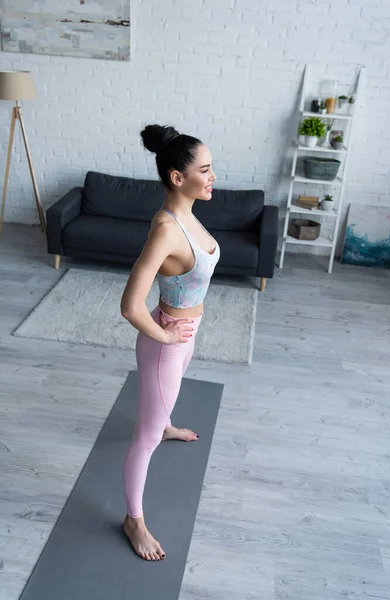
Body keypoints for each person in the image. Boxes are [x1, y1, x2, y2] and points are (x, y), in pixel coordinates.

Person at [120, 124, 219, 562]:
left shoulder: (189, 214)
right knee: (144, 440)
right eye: (206, 169)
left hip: (183, 335)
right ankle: (133, 520)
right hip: (168, 341)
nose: (213, 176)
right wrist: (164, 336)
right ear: (178, 178)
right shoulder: (166, 229)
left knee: (161, 414)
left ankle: (165, 423)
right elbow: (130, 305)